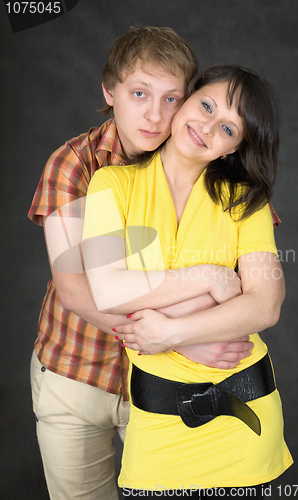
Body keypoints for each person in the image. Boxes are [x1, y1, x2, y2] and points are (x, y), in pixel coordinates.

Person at [28, 27, 254, 500]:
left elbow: (251, 280)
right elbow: (74, 289)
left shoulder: (218, 173)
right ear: (109, 92)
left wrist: (180, 341)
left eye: (172, 98)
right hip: (77, 371)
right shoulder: (76, 165)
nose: (155, 115)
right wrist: (183, 341)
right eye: (138, 94)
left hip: (168, 388)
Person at [82, 64, 293, 499]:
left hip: (245, 423)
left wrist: (168, 332)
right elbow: (107, 289)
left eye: (228, 128)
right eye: (206, 105)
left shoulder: (245, 202)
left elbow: (264, 305)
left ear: (233, 149)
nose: (207, 126)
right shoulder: (111, 184)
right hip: (156, 424)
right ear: (186, 101)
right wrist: (208, 277)